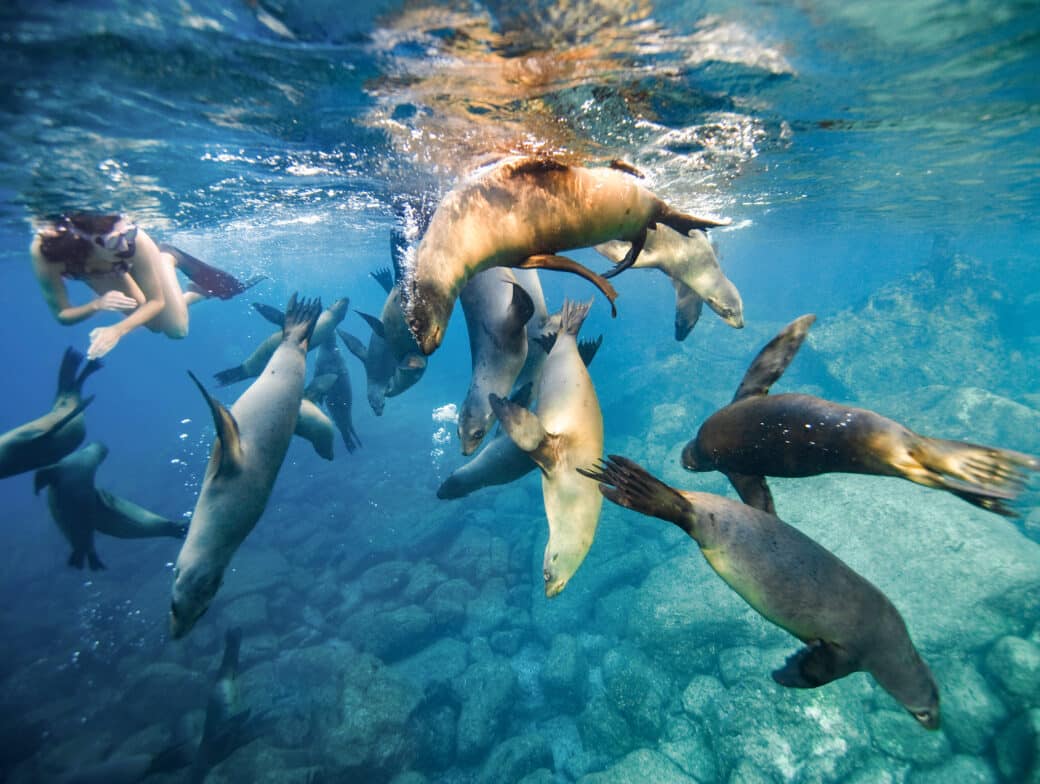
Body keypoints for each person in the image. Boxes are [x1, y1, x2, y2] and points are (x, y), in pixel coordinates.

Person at [31, 213, 262, 359]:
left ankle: (167, 257)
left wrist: (118, 330)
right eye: (114, 241)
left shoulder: (135, 243)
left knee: (176, 330)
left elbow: (156, 301)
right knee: (153, 325)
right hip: (95, 270)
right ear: (85, 244)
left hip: (128, 262)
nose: (124, 246)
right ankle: (195, 292)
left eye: (126, 233)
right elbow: (62, 314)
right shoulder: (48, 253)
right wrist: (97, 305)